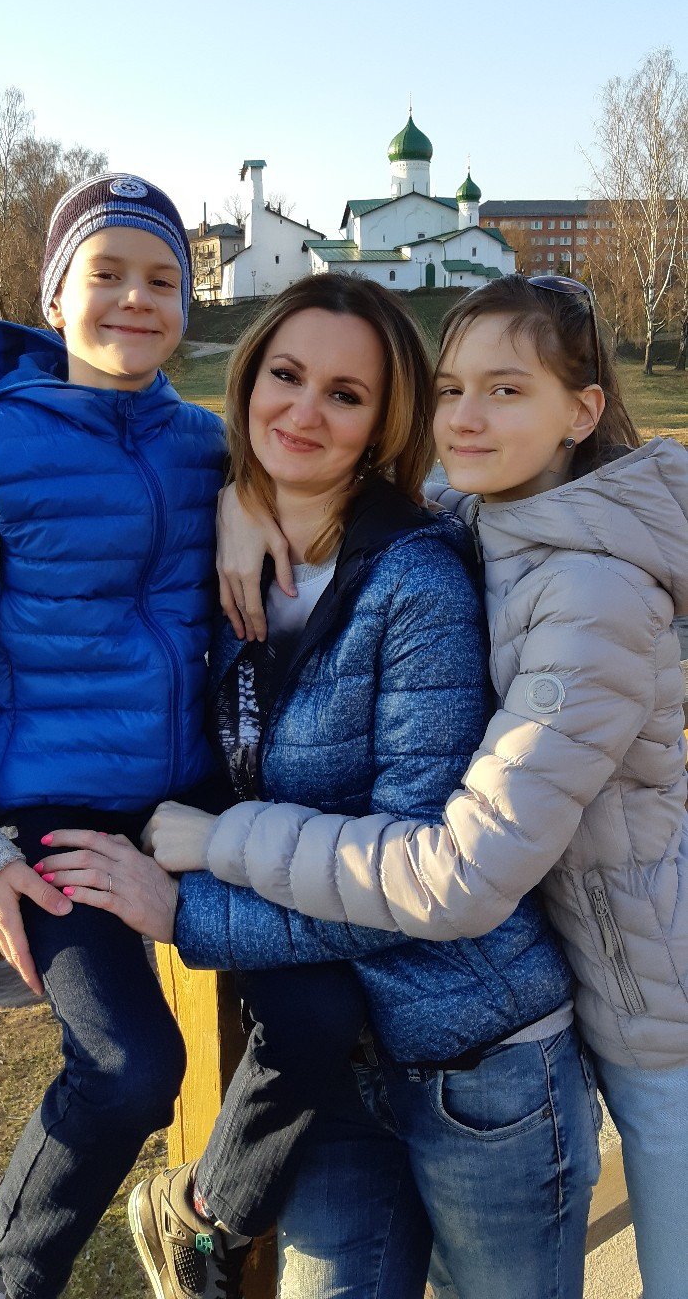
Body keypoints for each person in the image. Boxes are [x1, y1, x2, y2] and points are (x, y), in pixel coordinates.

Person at [39, 273, 601, 1299]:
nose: (303, 411)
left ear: (383, 421)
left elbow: (420, 876)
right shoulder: (217, 556)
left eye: (345, 395)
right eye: (286, 376)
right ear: (248, 381)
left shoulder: (418, 584)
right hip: (328, 1073)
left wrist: (185, 912)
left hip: (477, 1061)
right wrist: (231, 504)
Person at [200, 273, 688, 1299]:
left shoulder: (590, 593)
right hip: (534, 980)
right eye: (452, 389)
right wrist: (239, 499)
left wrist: (213, 848)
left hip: (648, 1006)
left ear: (581, 412)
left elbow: (459, 875)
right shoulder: (492, 517)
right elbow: (333, 479)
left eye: (505, 391)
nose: (464, 418)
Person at [0, 174, 226, 1299]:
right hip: (52, 811)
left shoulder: (209, 445)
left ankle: (204, 1215)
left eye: (163, 279)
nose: (136, 299)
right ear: (55, 295)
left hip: (191, 799)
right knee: (130, 1064)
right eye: (107, 273)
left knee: (320, 1008)